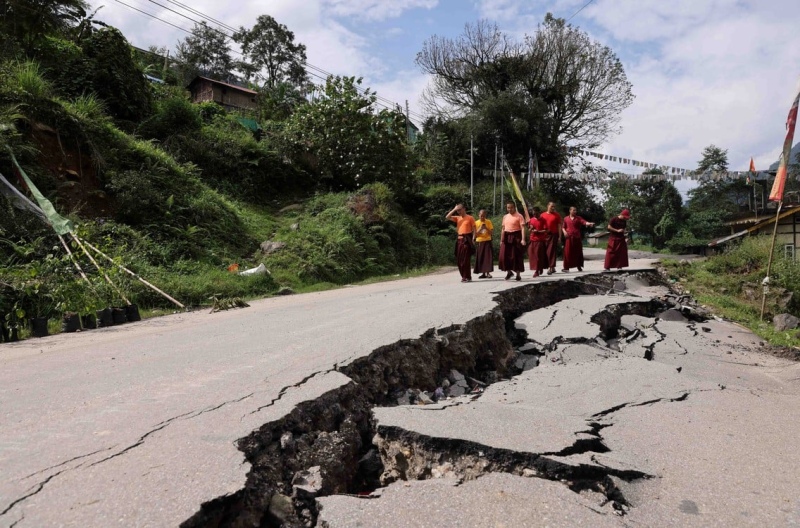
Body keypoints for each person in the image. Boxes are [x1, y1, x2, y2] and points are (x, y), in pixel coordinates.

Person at [446, 203, 477, 282]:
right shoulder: (458, 218)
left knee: (465, 259)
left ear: (464, 209)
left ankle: (465, 276)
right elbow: (447, 217)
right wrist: (454, 209)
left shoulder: (470, 218)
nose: (458, 212)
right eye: (457, 210)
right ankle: (467, 276)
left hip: (467, 240)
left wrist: (473, 239)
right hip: (459, 240)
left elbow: (474, 230)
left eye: (460, 210)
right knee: (459, 260)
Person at [561, 206, 595, 272]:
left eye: (576, 210)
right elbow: (563, 227)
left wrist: (589, 223)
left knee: (578, 252)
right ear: (570, 211)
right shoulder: (566, 219)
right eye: (573, 210)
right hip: (569, 237)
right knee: (568, 253)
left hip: (577, 237)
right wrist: (564, 232)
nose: (575, 212)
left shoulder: (578, 218)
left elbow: (584, 222)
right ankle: (566, 268)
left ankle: (578, 266)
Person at [499, 201, 526, 281]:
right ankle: (509, 272)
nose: (510, 209)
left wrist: (523, 239)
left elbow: (523, 228)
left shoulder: (519, 216)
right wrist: (501, 240)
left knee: (516, 256)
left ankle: (518, 274)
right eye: (508, 208)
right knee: (503, 256)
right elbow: (503, 229)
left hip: (516, 236)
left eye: (511, 207)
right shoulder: (505, 217)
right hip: (506, 237)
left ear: (514, 207)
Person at [539, 202, 562, 275]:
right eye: (551, 206)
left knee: (551, 251)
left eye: (554, 207)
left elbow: (559, 226)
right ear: (548, 206)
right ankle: (545, 266)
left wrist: (559, 237)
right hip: (544, 235)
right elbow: (539, 225)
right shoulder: (542, 215)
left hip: (553, 235)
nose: (553, 208)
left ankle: (550, 267)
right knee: (544, 252)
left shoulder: (557, 215)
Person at [527, 206, 549, 278]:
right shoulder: (531, 220)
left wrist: (538, 231)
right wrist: (531, 229)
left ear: (539, 213)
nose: (535, 215)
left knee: (538, 256)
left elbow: (546, 230)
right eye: (533, 214)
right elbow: (529, 229)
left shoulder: (543, 220)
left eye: (536, 214)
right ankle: (539, 268)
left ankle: (537, 270)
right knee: (532, 255)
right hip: (532, 240)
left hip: (540, 240)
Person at [473, 209, 494, 279]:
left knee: (488, 257)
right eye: (481, 216)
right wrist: (481, 228)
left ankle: (488, 273)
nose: (482, 217)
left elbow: (491, 233)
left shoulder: (488, 222)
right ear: (478, 215)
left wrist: (486, 228)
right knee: (481, 257)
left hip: (487, 240)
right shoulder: (476, 223)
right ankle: (483, 273)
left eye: (484, 216)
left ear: (485, 216)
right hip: (480, 241)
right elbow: (475, 234)